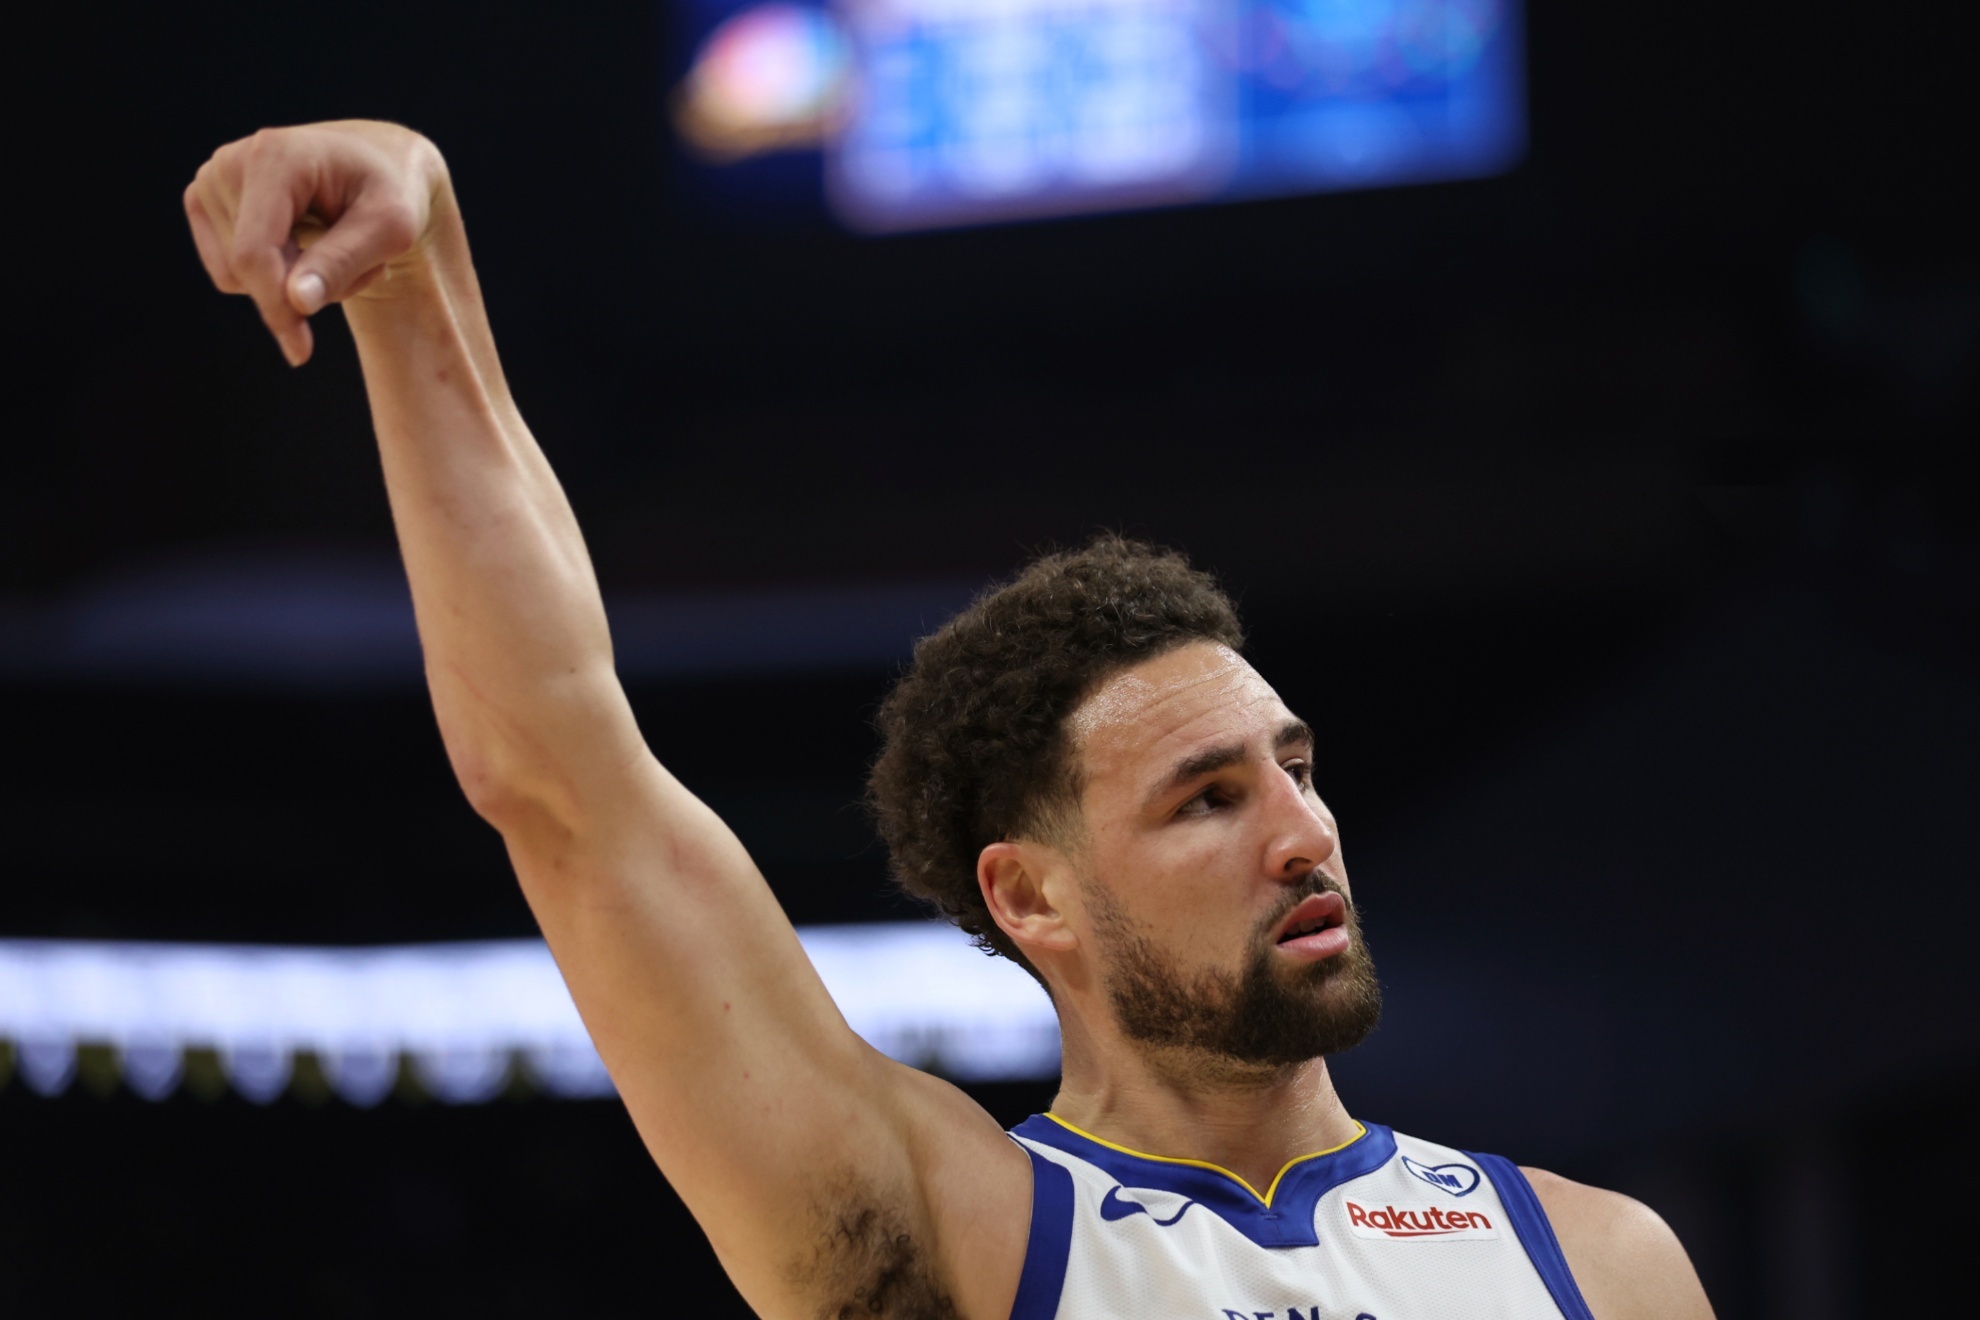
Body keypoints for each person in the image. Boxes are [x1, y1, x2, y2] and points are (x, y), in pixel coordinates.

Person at [184, 121, 1716, 1320]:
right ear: (1030, 893)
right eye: (1206, 799)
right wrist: (406, 277)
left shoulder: (1604, 1263)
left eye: (1294, 770)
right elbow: (567, 789)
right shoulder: (960, 1230)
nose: (1305, 832)